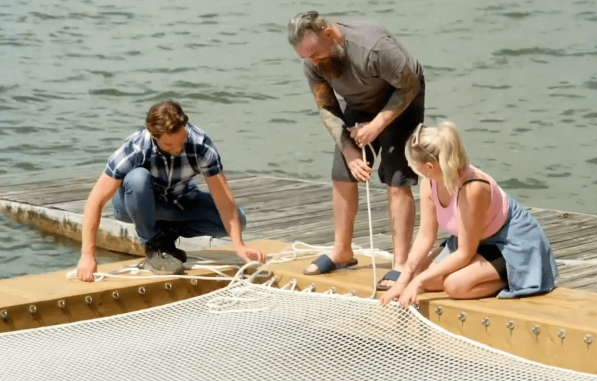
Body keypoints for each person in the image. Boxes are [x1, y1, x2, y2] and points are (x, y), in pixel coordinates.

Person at [287, 11, 424, 287]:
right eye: (307, 58)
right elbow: (327, 107)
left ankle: (400, 263)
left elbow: (409, 85)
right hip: (359, 102)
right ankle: (342, 251)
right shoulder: (313, 63)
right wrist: (349, 152)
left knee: (397, 179)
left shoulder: (373, 46)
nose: (314, 62)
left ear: (329, 33)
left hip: (401, 96)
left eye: (316, 54)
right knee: (341, 173)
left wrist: (377, 124)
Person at [76, 100, 266, 282]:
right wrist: (87, 256)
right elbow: (95, 201)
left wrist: (239, 245)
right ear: (153, 136)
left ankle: (167, 234)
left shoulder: (201, 144)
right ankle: (154, 244)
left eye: (181, 142)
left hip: (177, 199)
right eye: (169, 145)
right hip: (132, 203)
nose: (177, 148)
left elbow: (223, 199)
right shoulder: (135, 148)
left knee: (238, 221)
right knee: (138, 178)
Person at [380, 121, 558, 308]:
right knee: (418, 274)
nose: (410, 165)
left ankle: (514, 278)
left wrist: (417, 283)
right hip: (474, 240)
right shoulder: (429, 182)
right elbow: (426, 235)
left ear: (431, 166)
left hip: (508, 243)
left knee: (455, 286)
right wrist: (404, 280)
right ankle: (476, 274)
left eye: (413, 163)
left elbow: (465, 253)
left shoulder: (473, 188)